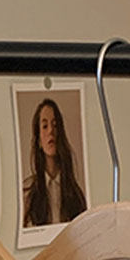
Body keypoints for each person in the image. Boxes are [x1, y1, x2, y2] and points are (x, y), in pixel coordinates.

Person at [22, 96, 88, 227]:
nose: (51, 131)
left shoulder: (75, 193)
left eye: (55, 125)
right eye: (45, 126)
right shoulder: (28, 193)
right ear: (39, 140)